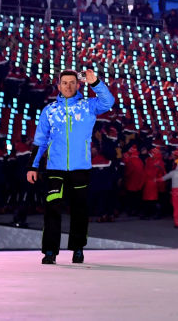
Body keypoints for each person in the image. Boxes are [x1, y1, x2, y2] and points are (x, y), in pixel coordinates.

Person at [27, 68, 115, 265]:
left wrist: (96, 83)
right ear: (58, 86)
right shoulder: (49, 110)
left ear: (78, 85)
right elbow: (40, 140)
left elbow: (109, 102)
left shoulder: (88, 106)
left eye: (72, 82)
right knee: (52, 209)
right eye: (64, 83)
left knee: (79, 210)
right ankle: (50, 251)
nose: (68, 86)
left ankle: (77, 249)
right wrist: (32, 166)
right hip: (55, 169)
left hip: (80, 169)